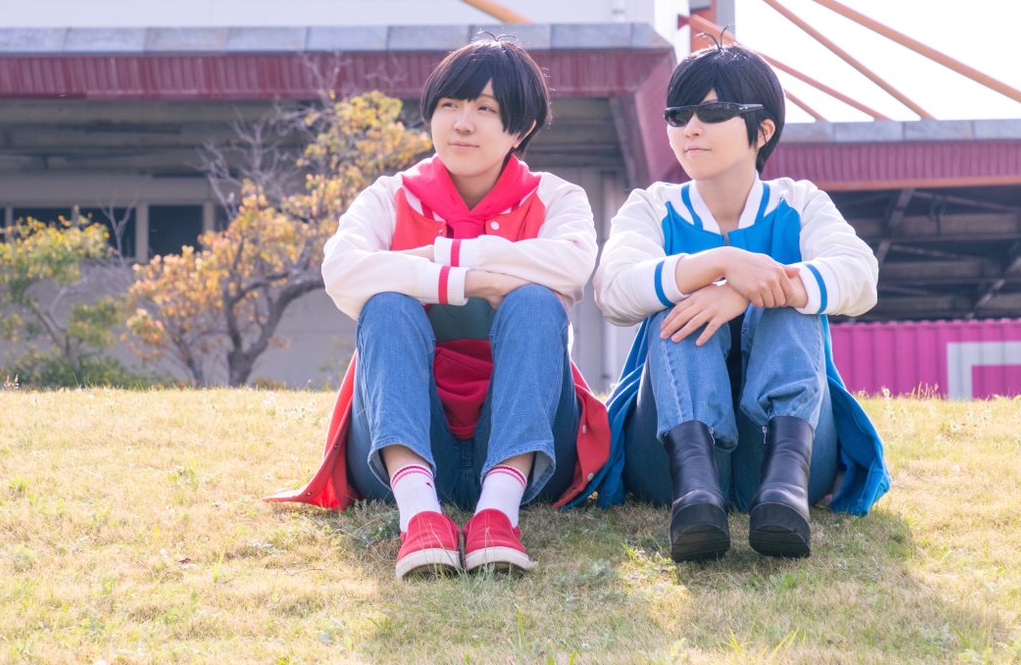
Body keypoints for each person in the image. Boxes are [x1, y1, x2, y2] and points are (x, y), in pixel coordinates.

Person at [268, 38, 610, 579]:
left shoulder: (557, 198)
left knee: (536, 303)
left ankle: (498, 514)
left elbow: (570, 267)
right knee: (386, 305)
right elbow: (343, 272)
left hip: (530, 450)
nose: (462, 124)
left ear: (520, 129)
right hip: (402, 447)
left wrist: (441, 256)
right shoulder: (390, 196)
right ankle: (420, 517)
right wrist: (469, 281)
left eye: (485, 109)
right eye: (450, 105)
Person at [575, 41, 889, 561]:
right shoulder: (653, 206)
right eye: (678, 115)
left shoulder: (799, 201)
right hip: (668, 462)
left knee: (790, 299)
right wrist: (721, 265)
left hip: (793, 460)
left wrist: (746, 290)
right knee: (680, 299)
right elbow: (614, 290)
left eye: (714, 112)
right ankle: (697, 492)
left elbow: (860, 276)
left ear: (762, 131)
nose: (691, 128)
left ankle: (784, 488)